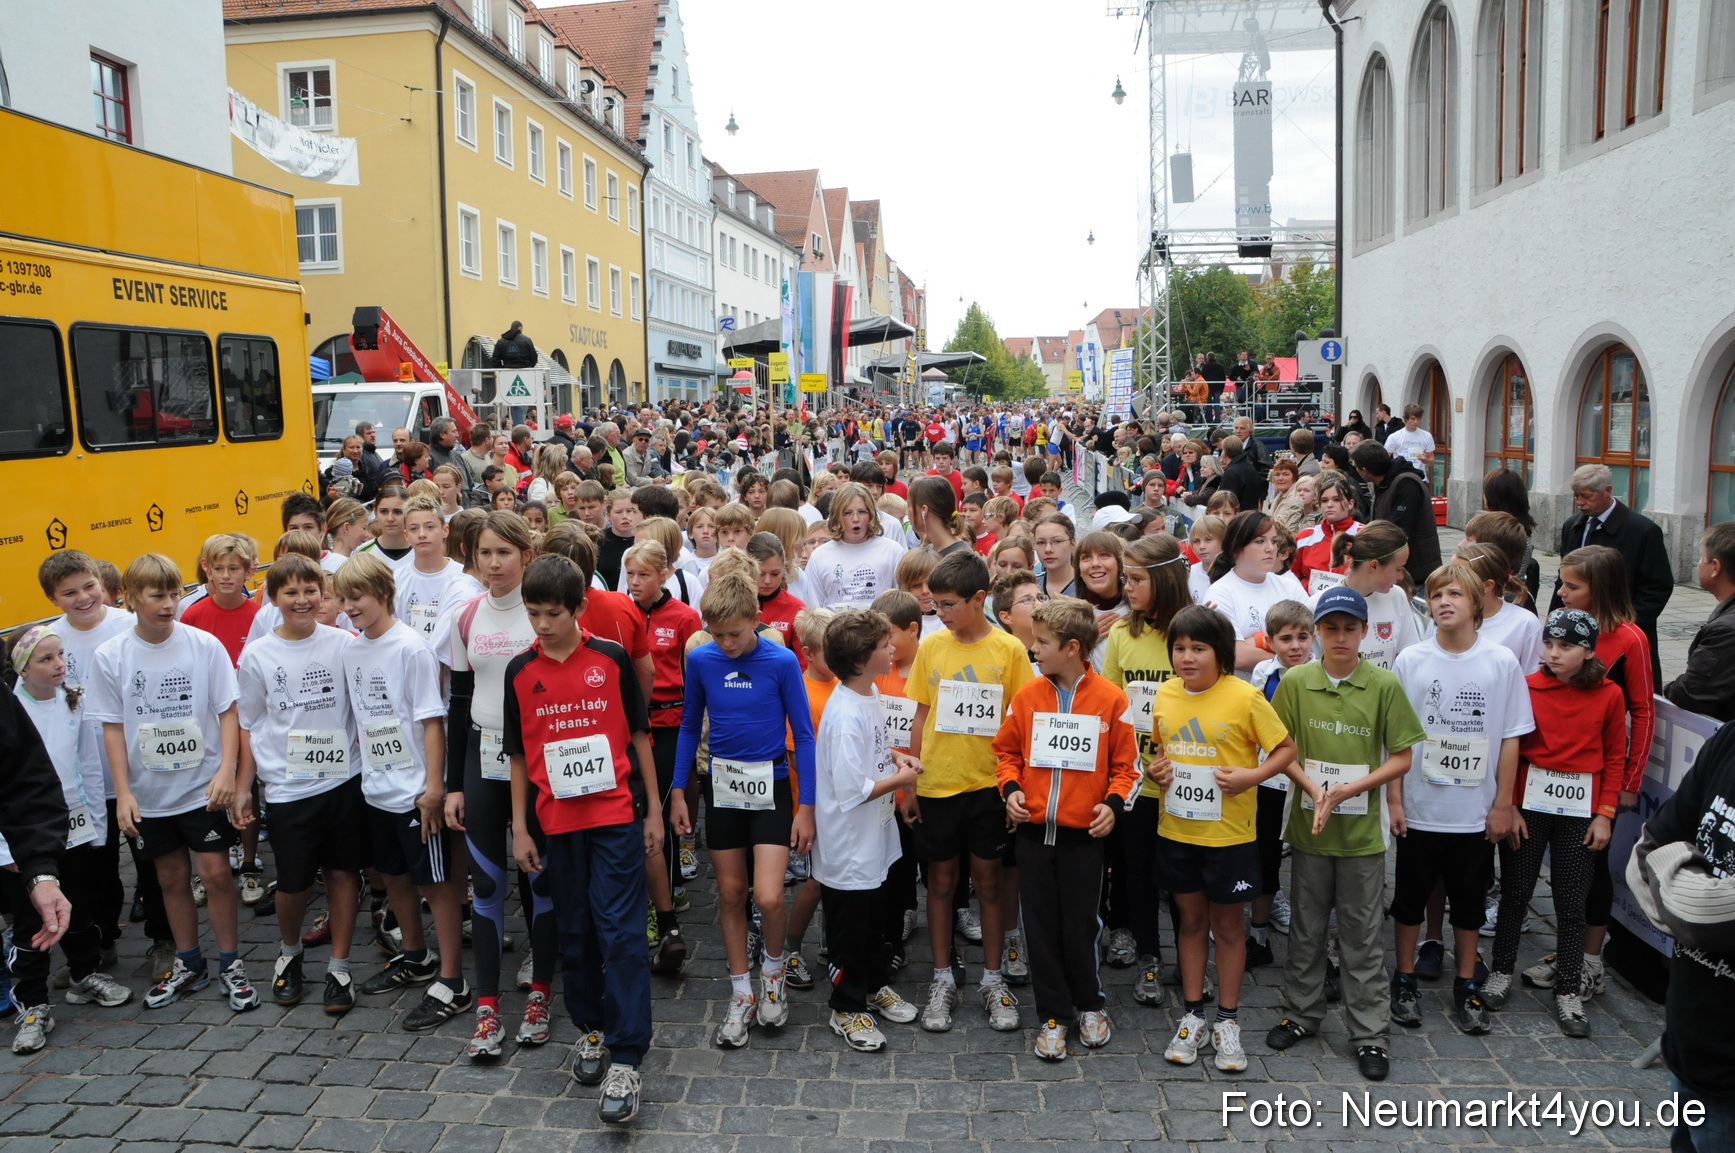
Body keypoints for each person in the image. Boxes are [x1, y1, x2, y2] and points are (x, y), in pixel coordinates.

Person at [504, 554, 658, 1123]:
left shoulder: (611, 658)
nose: (542, 624)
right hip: (555, 825)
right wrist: (521, 827)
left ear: (578, 608)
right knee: (576, 933)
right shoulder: (521, 671)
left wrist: (654, 814)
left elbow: (639, 737)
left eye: (552, 614)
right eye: (533, 613)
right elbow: (519, 755)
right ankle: (591, 1028)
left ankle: (626, 1054)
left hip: (615, 816)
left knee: (620, 933)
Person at [1266, 586, 1427, 1083]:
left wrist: (1351, 788)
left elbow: (1402, 754)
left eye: (1349, 629)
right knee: (1306, 929)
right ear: (1317, 632)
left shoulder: (1382, 685)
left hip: (1362, 836)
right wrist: (1317, 790)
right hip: (1310, 830)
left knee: (1361, 937)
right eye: (1330, 628)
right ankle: (1302, 1012)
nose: (1339, 637)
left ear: (1364, 632)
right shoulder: (1295, 681)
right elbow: (1282, 747)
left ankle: (1369, 1033)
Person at [90, 554, 260, 1013]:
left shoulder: (203, 645)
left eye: (173, 594)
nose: (168, 604)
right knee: (168, 877)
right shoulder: (112, 655)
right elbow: (110, 725)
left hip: (201, 788)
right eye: (156, 595)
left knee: (217, 874)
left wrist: (227, 769)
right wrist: (123, 792)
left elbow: (228, 709)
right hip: (148, 794)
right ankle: (189, 962)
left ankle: (230, 963)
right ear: (130, 598)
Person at [1142, 606, 1296, 1071]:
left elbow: (1286, 748)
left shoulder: (1244, 697)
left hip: (1229, 834)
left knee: (1229, 928)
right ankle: (1193, 1016)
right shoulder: (1166, 695)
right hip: (1178, 830)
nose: (1187, 658)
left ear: (1222, 654)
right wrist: (1157, 771)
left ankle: (1228, 1021)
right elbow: (1159, 753)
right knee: (1189, 923)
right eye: (1180, 648)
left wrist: (1252, 776)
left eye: (1198, 649)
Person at [669, 569, 816, 1049]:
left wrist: (806, 806)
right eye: (716, 633)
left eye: (735, 632)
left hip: (771, 785)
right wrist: (677, 790)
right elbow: (690, 726)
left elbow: (805, 734)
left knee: (770, 896)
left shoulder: (782, 660)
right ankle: (740, 992)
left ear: (756, 619)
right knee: (732, 893)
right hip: (722, 786)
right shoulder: (703, 659)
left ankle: (772, 972)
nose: (726, 642)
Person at [1388, 563, 1532, 1037]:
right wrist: (1395, 799)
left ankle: (1467, 981)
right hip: (1421, 806)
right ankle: (1405, 976)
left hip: (1474, 811)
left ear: (1476, 604)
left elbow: (1511, 737)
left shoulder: (1500, 662)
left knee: (1469, 902)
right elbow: (1396, 738)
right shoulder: (1411, 659)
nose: (1444, 602)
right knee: (1409, 898)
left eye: (1454, 594)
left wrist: (1503, 805)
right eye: (1435, 596)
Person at [994, 597, 1139, 1060]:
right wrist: (1011, 791)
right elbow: (1006, 753)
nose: (1033, 649)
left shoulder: (1111, 700)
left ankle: (1090, 1004)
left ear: (1073, 647)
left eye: (1042, 642)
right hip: (1034, 837)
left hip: (1084, 839)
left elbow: (1127, 766)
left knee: (1080, 926)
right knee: (1039, 928)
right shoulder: (1028, 696)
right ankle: (1053, 1015)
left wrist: (1114, 806)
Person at [331, 554, 471, 1031]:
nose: (350, 607)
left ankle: (454, 979)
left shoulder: (411, 648)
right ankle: (416, 956)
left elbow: (432, 721)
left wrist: (434, 787)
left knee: (437, 884)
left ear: (384, 594)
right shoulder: (351, 650)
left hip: (415, 791)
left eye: (358, 598)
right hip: (376, 787)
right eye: (344, 598)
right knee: (392, 877)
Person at [903, 551, 1035, 1033]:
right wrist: (911, 782)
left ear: (979, 599)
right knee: (940, 881)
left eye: (948, 604)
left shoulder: (1010, 652)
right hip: (938, 783)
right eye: (935, 605)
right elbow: (920, 713)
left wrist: (1015, 785)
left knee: (991, 881)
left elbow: (1023, 721)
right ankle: (942, 977)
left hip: (989, 786)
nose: (940, 613)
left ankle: (993, 978)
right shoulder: (933, 647)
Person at [1483, 609, 1626, 1040]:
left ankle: (1568, 989)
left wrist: (1605, 814)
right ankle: (1501, 971)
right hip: (1530, 806)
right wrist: (1508, 805)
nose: (1554, 653)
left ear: (1587, 651)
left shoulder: (1609, 695)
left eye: (1566, 646)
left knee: (1570, 902)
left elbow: (1614, 756)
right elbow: (1511, 750)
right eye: (1549, 644)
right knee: (1515, 892)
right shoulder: (1527, 687)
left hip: (1580, 811)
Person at [443, 511, 555, 1059]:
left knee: (540, 881)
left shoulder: (540, 616)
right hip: (482, 761)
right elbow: (459, 701)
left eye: (504, 553)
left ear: (525, 556)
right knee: (486, 886)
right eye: (484, 553)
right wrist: (451, 785)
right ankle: (487, 1006)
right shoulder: (465, 617)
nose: (493, 564)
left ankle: (541, 993)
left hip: (538, 766)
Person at [234, 555, 366, 1014]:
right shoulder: (258, 655)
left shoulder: (346, 643)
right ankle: (289, 954)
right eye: (291, 593)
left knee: (343, 873)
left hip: (344, 779)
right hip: (289, 788)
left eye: (311, 590)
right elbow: (248, 723)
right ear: (274, 600)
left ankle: (340, 965)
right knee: (291, 883)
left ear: (323, 594)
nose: (303, 600)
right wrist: (242, 786)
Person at [4, 627, 134, 1053]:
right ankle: (33, 1002)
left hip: (73, 826)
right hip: (22, 840)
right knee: (30, 920)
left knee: (77, 902)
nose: (59, 664)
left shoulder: (74, 700)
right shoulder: (13, 708)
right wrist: (8, 851)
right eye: (46, 659)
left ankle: (83, 972)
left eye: (61, 656)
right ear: (22, 667)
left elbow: (88, 766)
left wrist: (96, 824)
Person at [811, 609, 923, 1052]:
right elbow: (852, 789)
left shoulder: (869, 692)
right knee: (849, 928)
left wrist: (895, 757)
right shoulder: (843, 716)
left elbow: (873, 752)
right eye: (883, 646)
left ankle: (874, 985)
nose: (892, 649)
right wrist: (905, 778)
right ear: (861, 660)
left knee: (875, 920)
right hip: (849, 845)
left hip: (873, 837)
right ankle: (846, 1005)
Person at [1626, 713, 1735, 1152]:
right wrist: (1698, 905)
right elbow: (1644, 855)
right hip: (1689, 1041)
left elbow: (1698, 908)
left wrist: (1680, 884)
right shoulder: (1730, 737)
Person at [41, 551, 150, 970]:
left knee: (150, 861)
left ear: (101, 584)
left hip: (136, 771)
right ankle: (104, 938)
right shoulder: (51, 639)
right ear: (54, 599)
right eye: (70, 593)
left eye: (89, 586)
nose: (83, 598)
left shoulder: (129, 625)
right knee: (95, 870)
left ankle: (163, 938)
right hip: (85, 781)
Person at [1549, 463, 1675, 686]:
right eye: (1576, 495)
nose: (1580, 502)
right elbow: (1564, 579)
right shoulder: (1573, 525)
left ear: (1607, 491)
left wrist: (1625, 623)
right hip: (1577, 628)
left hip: (1618, 629)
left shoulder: (1642, 531)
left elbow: (1658, 587)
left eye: (1587, 496)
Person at [1202, 510, 1307, 674]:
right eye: (1259, 541)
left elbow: (1310, 643)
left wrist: (1256, 642)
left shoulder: (1290, 586)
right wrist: (1288, 655)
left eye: (1274, 541)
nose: (1270, 548)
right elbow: (1237, 656)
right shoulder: (1220, 593)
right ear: (1236, 549)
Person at [1664, 522, 1735, 720]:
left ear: (1715, 567)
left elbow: (1690, 694)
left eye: (1701, 558)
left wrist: (1669, 688)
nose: (1698, 564)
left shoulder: (1725, 631)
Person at [1352, 441, 1441, 588]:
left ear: (1364, 470)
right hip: (1397, 571)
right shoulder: (1384, 483)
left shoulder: (1406, 484)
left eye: (1355, 466)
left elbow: (1399, 530)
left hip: (1416, 574)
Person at [806, 482, 907, 611]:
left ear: (871, 514)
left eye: (862, 512)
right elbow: (814, 609)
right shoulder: (820, 556)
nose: (855, 519)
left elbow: (903, 602)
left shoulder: (892, 551)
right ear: (837, 517)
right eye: (847, 513)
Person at [1382, 404, 1437, 473]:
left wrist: (1426, 460)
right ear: (1406, 419)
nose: (1416, 422)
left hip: (1420, 477)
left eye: (1418, 419)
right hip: (1400, 477)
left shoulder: (1426, 436)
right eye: (1413, 419)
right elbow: (1385, 458)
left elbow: (1431, 459)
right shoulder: (1394, 437)